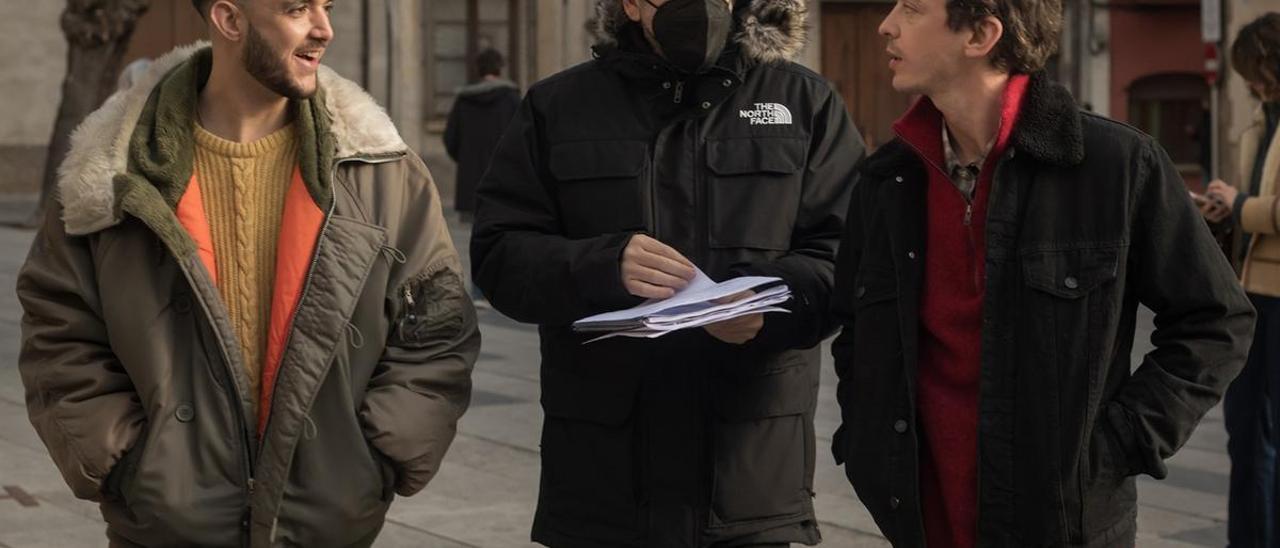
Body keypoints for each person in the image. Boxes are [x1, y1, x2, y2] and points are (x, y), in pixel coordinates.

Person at [16, 0, 479, 545]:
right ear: (230, 20)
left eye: (326, 7)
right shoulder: (108, 176)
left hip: (328, 524)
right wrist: (124, 462)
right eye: (295, 8)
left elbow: (436, 328)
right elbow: (57, 333)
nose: (323, 29)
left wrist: (378, 453)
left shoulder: (383, 172)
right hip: (166, 527)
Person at [829, 1, 1255, 547]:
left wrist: (1117, 444)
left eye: (911, 9)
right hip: (917, 518)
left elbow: (1217, 321)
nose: (885, 24)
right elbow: (856, 332)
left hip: (1064, 523)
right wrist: (863, 439)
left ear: (981, 34)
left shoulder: (1117, 163)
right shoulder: (885, 180)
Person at [470, 0, 864, 546]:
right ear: (630, 4)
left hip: (747, 477)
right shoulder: (557, 106)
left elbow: (849, 257)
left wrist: (767, 306)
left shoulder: (803, 101)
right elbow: (498, 255)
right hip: (604, 481)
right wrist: (602, 265)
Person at [1199, 12, 1280, 547]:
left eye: (1256, 69)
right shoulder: (1262, 120)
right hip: (1254, 290)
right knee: (1245, 432)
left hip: (1277, 297)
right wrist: (1224, 208)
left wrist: (1243, 205)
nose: (1250, 82)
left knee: (1260, 435)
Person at [444, 48, 520, 224]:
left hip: (470, 184)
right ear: (500, 68)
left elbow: (450, 138)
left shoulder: (464, 100)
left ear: (478, 69)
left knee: (470, 242)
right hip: (503, 184)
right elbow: (524, 139)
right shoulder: (511, 99)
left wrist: (465, 158)